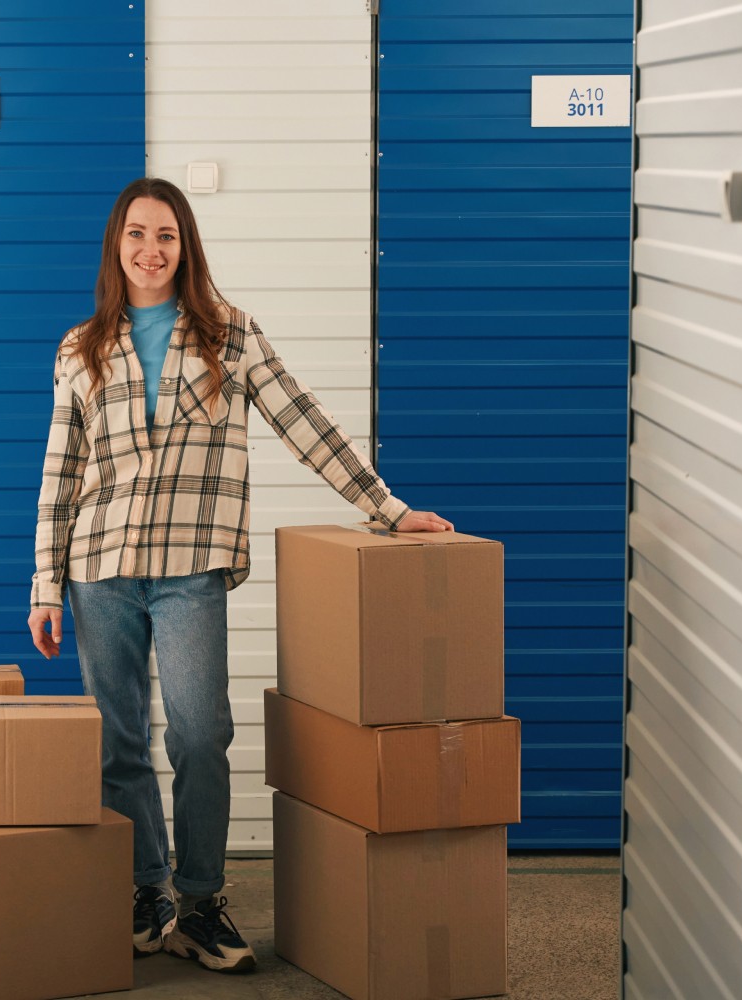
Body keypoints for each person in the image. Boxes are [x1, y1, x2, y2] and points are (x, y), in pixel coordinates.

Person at [27, 177, 452, 974]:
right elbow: (60, 474)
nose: (150, 251)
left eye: (167, 236)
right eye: (136, 235)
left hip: (192, 566)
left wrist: (389, 509)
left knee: (200, 735)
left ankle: (199, 902)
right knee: (118, 742)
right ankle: (144, 889)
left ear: (186, 248)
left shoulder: (231, 336)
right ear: (116, 246)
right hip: (99, 568)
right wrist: (45, 586)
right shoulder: (79, 347)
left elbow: (305, 422)